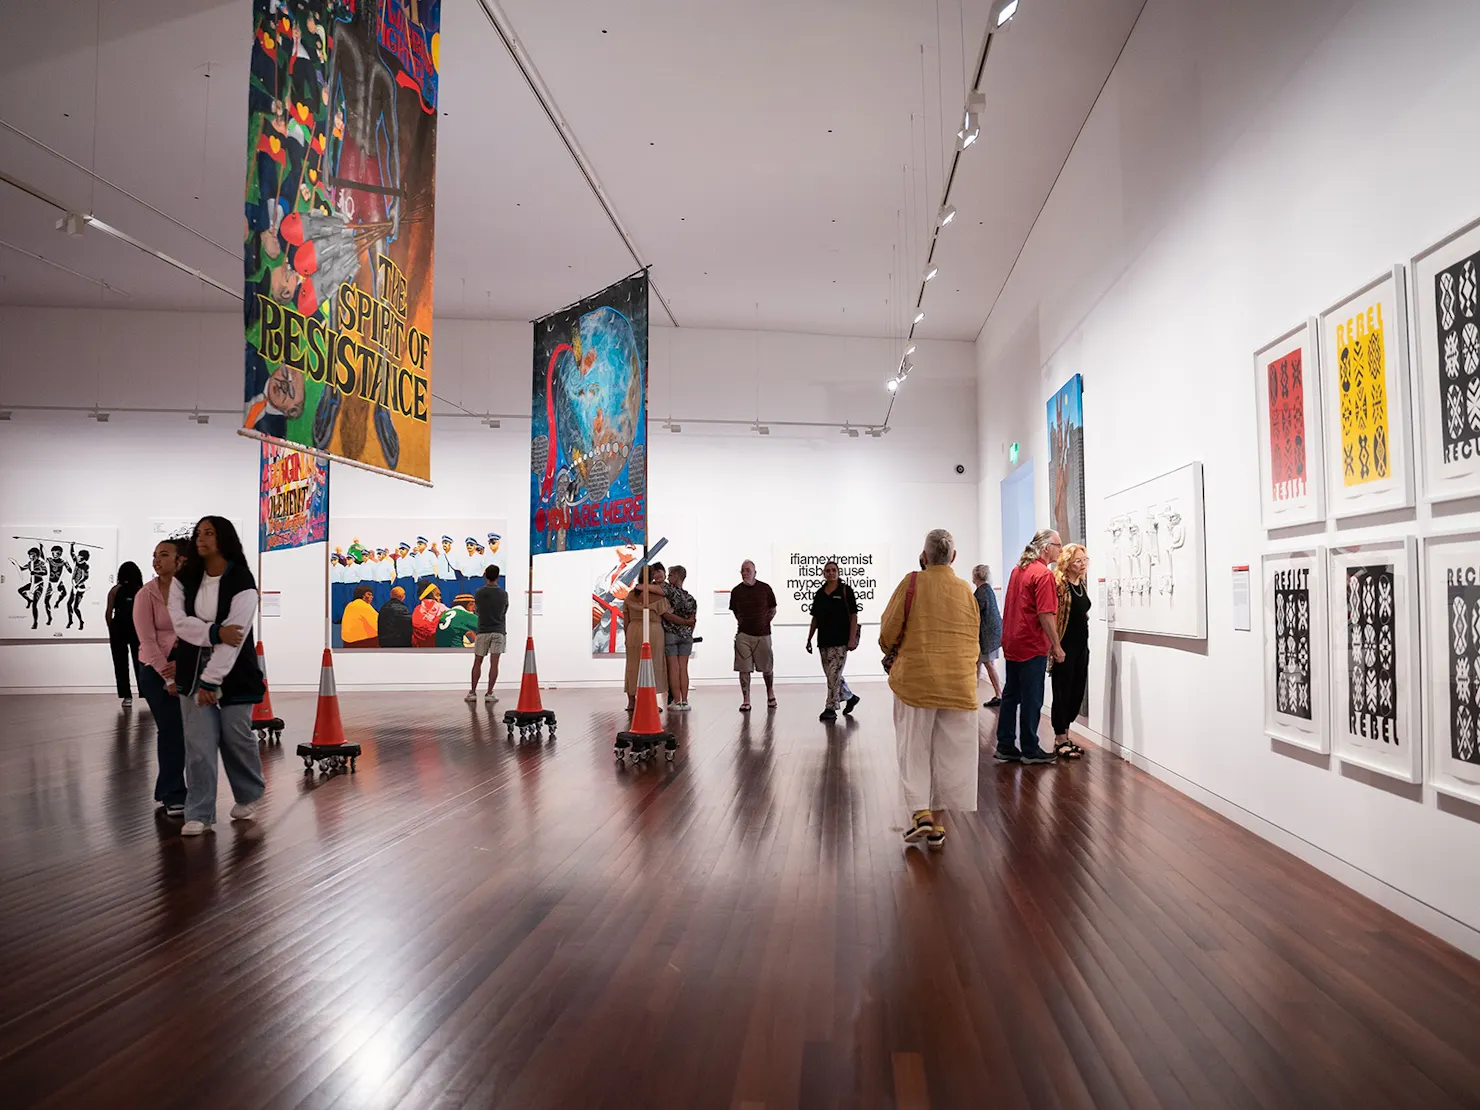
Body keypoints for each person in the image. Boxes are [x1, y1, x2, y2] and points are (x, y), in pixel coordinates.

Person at [878, 528, 980, 849]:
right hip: (959, 685)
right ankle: (937, 825)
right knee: (949, 755)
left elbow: (888, 632)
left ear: (924, 556)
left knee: (914, 748)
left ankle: (921, 814)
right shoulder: (966, 590)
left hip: (917, 682)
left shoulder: (912, 583)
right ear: (953, 557)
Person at [168, 516, 266, 837]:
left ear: (223, 538)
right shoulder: (183, 579)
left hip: (234, 671)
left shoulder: (242, 580)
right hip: (191, 668)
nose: (201, 538)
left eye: (209, 533)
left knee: (236, 736)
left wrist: (212, 680)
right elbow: (180, 624)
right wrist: (213, 631)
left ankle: (248, 794)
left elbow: (235, 636)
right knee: (198, 744)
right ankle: (199, 812)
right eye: (199, 533)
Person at [995, 529, 1065, 766]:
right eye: (1058, 545)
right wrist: (1056, 646)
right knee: (1032, 698)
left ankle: (1005, 744)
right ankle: (1030, 748)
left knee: (1011, 694)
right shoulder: (1043, 574)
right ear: (1046, 548)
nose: (1061, 549)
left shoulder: (1019, 570)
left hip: (1013, 641)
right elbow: (1045, 614)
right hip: (1031, 643)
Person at [134, 539, 187, 817]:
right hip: (155, 670)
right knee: (171, 729)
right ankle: (174, 793)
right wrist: (168, 677)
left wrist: (185, 663)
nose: (157, 560)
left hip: (186, 665)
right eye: (155, 555)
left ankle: (168, 788)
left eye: (164, 555)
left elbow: (198, 630)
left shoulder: (190, 592)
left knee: (188, 731)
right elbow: (147, 640)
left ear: (180, 560)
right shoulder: (146, 594)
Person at [806, 560, 861, 722]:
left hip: (841, 640)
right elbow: (815, 618)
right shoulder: (819, 593)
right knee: (832, 675)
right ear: (824, 574)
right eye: (828, 570)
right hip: (823, 640)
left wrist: (852, 638)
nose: (831, 573)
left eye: (833, 570)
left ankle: (830, 708)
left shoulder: (845, 590)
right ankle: (850, 697)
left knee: (833, 674)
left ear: (838, 572)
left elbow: (854, 616)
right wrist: (809, 638)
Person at [1050, 543, 1092, 760]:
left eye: (1084, 560)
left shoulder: (1081, 583)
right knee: (1062, 692)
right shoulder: (1060, 585)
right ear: (1067, 563)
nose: (1083, 564)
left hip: (1081, 646)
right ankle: (1060, 739)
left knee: (1076, 691)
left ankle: (1066, 736)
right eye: (1078, 561)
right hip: (1064, 647)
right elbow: (1053, 616)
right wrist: (1056, 647)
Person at [730, 560, 777, 712]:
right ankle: (746, 699)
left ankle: (770, 693)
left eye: (748, 570)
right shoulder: (736, 591)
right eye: (742, 570)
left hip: (763, 635)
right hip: (743, 635)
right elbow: (736, 612)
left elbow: (772, 609)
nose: (745, 573)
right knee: (744, 668)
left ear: (755, 572)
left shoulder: (765, 589)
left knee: (767, 668)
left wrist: (763, 623)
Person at [623, 563, 670, 712]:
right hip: (653, 630)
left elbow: (626, 619)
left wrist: (626, 636)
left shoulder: (630, 595)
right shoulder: (658, 595)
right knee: (653, 665)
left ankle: (632, 702)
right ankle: (651, 702)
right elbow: (667, 615)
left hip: (633, 630)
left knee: (632, 665)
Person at [106, 561, 144, 707]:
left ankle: (126, 696)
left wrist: (112, 628)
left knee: (120, 663)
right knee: (140, 662)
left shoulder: (115, 590)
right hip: (137, 629)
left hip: (118, 628)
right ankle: (145, 692)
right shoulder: (141, 590)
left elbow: (108, 612)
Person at [468, 564, 508, 703]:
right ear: (498, 577)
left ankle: (473, 692)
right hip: (498, 631)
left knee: (477, 662)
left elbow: (477, 610)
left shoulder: (479, 592)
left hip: (483, 630)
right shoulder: (503, 594)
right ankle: (489, 693)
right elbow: (504, 612)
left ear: (485, 576)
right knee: (494, 664)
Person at [662, 564, 697, 711]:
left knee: (674, 669)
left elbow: (666, 615)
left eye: (670, 575)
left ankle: (676, 701)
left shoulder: (669, 594)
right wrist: (687, 629)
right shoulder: (690, 598)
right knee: (684, 668)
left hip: (671, 634)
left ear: (676, 576)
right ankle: (685, 701)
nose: (667, 578)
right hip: (686, 636)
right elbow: (693, 620)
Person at [972, 564, 1004, 707]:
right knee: (979, 662)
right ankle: (973, 692)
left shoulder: (981, 593)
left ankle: (999, 694)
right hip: (992, 634)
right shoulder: (986, 590)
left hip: (987, 635)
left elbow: (975, 613)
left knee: (988, 664)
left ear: (976, 576)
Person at [341, 583, 380, 648]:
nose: (372, 597)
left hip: (347, 643)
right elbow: (377, 624)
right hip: (364, 642)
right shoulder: (364, 606)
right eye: (369, 594)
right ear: (361, 595)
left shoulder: (349, 605)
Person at [411, 582, 446, 647]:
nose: (440, 598)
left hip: (418, 645)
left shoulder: (417, 609)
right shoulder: (441, 607)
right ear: (433, 595)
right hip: (435, 644)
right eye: (438, 595)